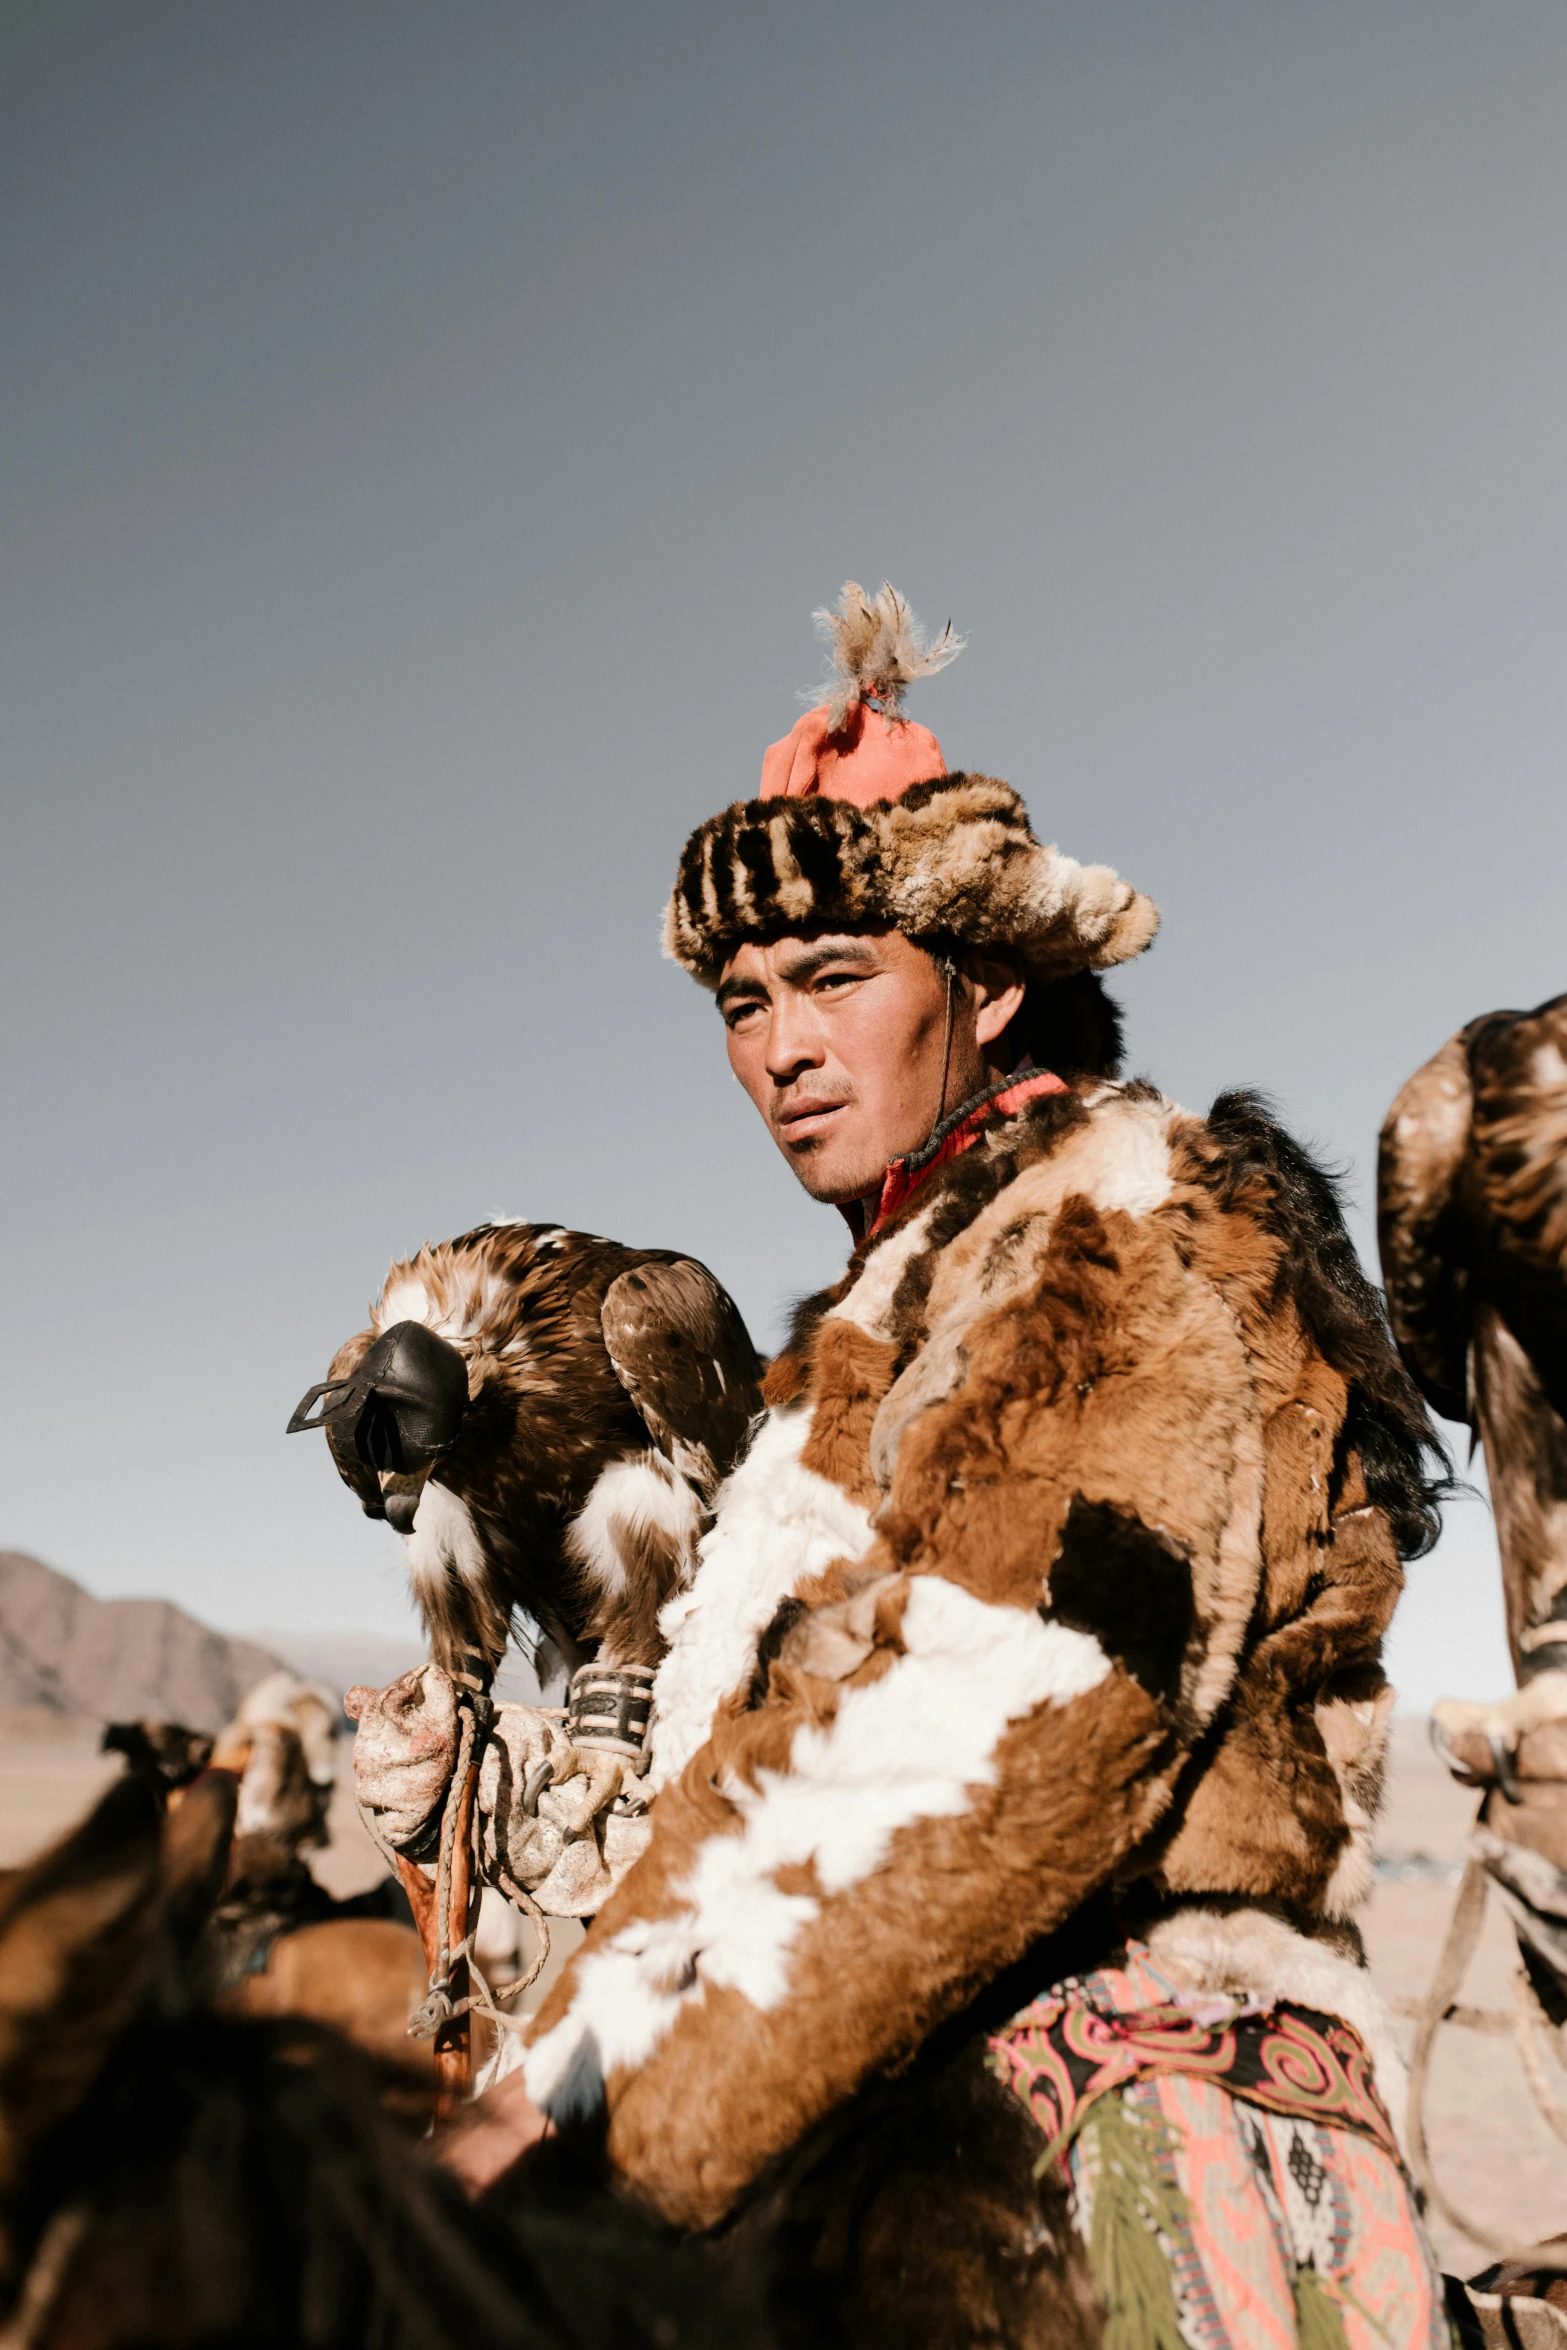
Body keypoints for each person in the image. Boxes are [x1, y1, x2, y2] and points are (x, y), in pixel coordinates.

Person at [453, 584, 1454, 2349]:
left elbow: (1022, 1708)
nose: (777, 1046)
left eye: (836, 978)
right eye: (744, 999)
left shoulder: (1124, 1231)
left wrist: (617, 2131)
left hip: (1135, 2070)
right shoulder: (862, 1334)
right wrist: (547, 2064)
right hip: (883, 2038)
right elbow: (754, 1785)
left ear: (986, 985)